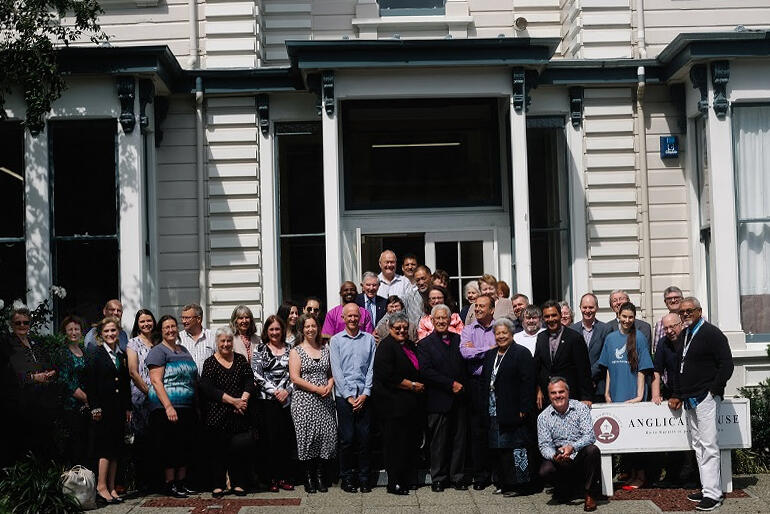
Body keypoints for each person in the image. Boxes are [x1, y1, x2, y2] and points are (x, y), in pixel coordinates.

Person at [669, 297, 734, 512]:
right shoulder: (686, 334)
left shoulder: (712, 333)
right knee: (698, 446)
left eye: (689, 311)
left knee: (709, 445)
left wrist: (713, 390)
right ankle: (707, 488)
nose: (685, 314)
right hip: (689, 398)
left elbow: (726, 364)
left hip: (705, 397)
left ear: (699, 311)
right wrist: (678, 393)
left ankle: (714, 495)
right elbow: (680, 365)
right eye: (682, 312)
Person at [598, 302, 654, 489]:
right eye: (624, 317)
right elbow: (607, 368)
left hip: (633, 395)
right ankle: (631, 474)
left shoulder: (639, 338)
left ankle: (641, 476)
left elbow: (643, 369)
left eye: (631, 317)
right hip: (616, 394)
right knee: (624, 439)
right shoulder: (611, 338)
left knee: (637, 439)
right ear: (618, 316)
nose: (627, 320)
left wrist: (639, 395)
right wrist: (607, 393)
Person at [480, 317, 535, 496]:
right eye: (497, 333)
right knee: (498, 448)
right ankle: (503, 482)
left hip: (514, 409)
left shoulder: (521, 353)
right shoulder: (490, 355)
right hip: (494, 409)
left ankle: (521, 485)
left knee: (516, 448)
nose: (501, 336)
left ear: (511, 333)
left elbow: (528, 383)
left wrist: (524, 408)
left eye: (504, 333)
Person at [199, 327, 256, 498]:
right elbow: (207, 388)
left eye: (229, 341)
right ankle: (218, 485)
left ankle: (238, 483)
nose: (226, 344)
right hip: (217, 414)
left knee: (238, 451)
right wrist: (233, 401)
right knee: (218, 452)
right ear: (217, 343)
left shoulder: (240, 360)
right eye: (222, 341)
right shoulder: (210, 363)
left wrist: (243, 400)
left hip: (239, 414)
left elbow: (249, 381)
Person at [146, 315, 199, 499]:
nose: (170, 330)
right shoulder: (158, 351)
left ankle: (181, 482)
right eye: (166, 327)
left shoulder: (183, 349)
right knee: (170, 446)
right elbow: (156, 381)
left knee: (185, 445)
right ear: (161, 331)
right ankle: (170, 484)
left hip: (187, 406)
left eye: (173, 326)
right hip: (166, 407)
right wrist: (168, 406)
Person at [417, 304, 468, 492]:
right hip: (438, 400)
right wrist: (450, 384)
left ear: (450, 320)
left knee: (459, 440)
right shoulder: (424, 345)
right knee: (438, 442)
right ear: (431, 320)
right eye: (437, 318)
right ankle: (438, 477)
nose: (441, 321)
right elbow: (426, 371)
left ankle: (458, 477)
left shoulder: (459, 339)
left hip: (460, 399)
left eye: (444, 318)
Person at [373, 311, 424, 495]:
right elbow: (388, 376)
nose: (402, 330)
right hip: (392, 406)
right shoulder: (386, 347)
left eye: (404, 327)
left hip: (409, 406)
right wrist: (411, 385)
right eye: (397, 328)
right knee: (394, 445)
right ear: (389, 328)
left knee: (407, 444)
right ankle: (393, 482)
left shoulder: (409, 345)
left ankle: (406, 479)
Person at [329, 303, 377, 493]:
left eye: (356, 316)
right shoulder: (336, 340)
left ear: (361, 318)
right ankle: (347, 478)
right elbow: (337, 371)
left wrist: (365, 393)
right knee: (347, 440)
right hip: (344, 397)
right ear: (343, 318)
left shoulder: (369, 340)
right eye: (349, 316)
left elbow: (371, 369)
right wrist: (349, 397)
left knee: (365, 439)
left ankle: (364, 478)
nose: (353, 319)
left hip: (364, 396)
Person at [85, 317, 132, 505]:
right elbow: (91, 384)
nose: (111, 334)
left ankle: (112, 487)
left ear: (118, 333)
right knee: (105, 448)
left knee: (116, 448)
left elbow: (125, 383)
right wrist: (95, 406)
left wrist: (128, 407)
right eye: (106, 332)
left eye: (113, 331)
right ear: (101, 335)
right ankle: (101, 487)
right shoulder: (96, 355)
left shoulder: (121, 355)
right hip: (103, 409)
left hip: (119, 409)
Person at [3, 306, 59, 462]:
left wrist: (50, 373)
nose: (22, 326)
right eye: (18, 323)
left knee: (42, 446)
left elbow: (48, 363)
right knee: (20, 449)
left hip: (40, 403)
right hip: (19, 406)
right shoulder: (6, 345)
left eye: (25, 322)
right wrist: (33, 378)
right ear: (11, 324)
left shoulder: (34, 342)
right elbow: (7, 376)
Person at [288, 314, 337, 494]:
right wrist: (316, 389)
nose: (310, 329)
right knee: (307, 439)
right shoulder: (296, 351)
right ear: (302, 329)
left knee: (328, 437)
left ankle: (320, 475)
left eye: (313, 326)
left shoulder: (326, 349)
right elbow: (295, 377)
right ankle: (308, 477)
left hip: (325, 400)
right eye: (307, 326)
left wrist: (329, 385)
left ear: (318, 328)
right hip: (304, 401)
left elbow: (331, 373)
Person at [537, 377, 601, 511]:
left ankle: (590, 494)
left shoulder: (581, 408)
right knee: (545, 470)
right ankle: (565, 489)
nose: (558, 395)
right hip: (560, 458)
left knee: (592, 450)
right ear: (548, 395)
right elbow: (544, 445)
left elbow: (590, 436)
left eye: (561, 392)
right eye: (553, 393)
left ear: (568, 392)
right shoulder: (543, 417)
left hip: (579, 455)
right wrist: (555, 455)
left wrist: (572, 447)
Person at [651, 313, 699, 490]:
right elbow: (656, 370)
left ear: (681, 324)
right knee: (672, 437)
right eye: (666, 328)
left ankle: (695, 477)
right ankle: (673, 476)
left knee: (694, 438)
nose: (670, 331)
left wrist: (679, 395)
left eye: (673, 326)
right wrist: (656, 395)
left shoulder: (691, 340)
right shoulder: (663, 343)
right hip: (672, 392)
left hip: (692, 392)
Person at [251, 315, 296, 492]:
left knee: (284, 441)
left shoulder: (291, 349)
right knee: (268, 441)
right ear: (266, 331)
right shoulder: (260, 349)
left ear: (282, 330)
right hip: (267, 401)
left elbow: (295, 374)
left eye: (278, 329)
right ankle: (271, 479)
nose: (275, 332)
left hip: (286, 401)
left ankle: (284, 477)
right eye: (271, 329)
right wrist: (275, 391)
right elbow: (256, 374)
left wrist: (287, 391)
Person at [459, 294, 497, 489]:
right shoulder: (467, 329)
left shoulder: (500, 327)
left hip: (496, 382)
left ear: (492, 310)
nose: (478, 309)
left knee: (496, 427)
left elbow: (504, 349)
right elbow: (465, 353)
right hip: (475, 384)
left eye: (482, 306)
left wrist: (478, 349)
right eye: (476, 306)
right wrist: (490, 349)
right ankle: (480, 476)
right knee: (478, 430)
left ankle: (498, 474)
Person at [534, 301, 593, 409]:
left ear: (560, 315)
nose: (551, 319)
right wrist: (538, 390)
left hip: (570, 397)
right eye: (547, 316)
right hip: (547, 399)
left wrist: (586, 397)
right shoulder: (541, 337)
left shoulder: (574, 338)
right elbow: (537, 367)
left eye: (554, 315)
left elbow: (584, 369)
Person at [126, 308, 157, 491]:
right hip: (141, 396)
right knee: (143, 439)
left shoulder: (158, 341)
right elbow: (132, 371)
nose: (146, 324)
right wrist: (149, 392)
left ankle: (156, 480)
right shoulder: (133, 343)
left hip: (159, 395)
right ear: (137, 324)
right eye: (142, 321)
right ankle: (142, 482)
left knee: (157, 439)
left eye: (149, 320)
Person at [57, 315, 89, 466]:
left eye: (77, 329)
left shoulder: (84, 351)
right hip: (72, 406)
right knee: (74, 444)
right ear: (65, 332)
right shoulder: (63, 353)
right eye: (70, 329)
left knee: (85, 444)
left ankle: (86, 482)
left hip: (86, 406)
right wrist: (85, 398)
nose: (74, 332)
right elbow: (65, 381)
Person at [571, 293, 610, 402]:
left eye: (591, 307)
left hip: (599, 386)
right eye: (585, 307)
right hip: (578, 387)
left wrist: (590, 376)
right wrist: (584, 379)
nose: (588, 310)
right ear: (580, 308)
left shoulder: (606, 329)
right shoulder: (572, 330)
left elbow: (604, 357)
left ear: (597, 308)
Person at [179, 303, 213, 376]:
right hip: (186, 385)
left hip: (207, 384)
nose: (184, 321)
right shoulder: (178, 338)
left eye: (187, 318)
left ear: (198, 319)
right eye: (182, 318)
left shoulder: (212, 337)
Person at [653, 286, 683, 353]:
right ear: (665, 302)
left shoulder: (690, 320)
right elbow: (656, 349)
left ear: (682, 299)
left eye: (676, 297)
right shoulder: (660, 323)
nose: (673, 300)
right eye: (669, 298)